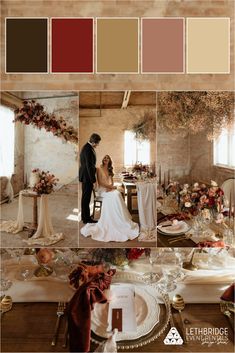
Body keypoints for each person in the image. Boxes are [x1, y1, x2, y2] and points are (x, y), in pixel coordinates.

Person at [80, 155, 139, 242]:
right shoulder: (99, 169)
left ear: (109, 161)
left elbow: (112, 181)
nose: (105, 159)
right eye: (104, 158)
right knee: (113, 196)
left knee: (117, 194)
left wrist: (111, 187)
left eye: (107, 158)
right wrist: (109, 187)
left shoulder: (110, 169)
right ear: (103, 160)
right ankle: (111, 221)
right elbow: (100, 182)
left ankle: (120, 220)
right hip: (102, 189)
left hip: (109, 188)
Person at [79, 133, 101, 224]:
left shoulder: (87, 147)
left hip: (85, 175)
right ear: (94, 142)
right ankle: (86, 219)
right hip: (87, 177)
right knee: (86, 198)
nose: (98, 145)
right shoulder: (88, 149)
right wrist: (93, 180)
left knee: (86, 198)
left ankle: (85, 217)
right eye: (98, 143)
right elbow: (89, 166)